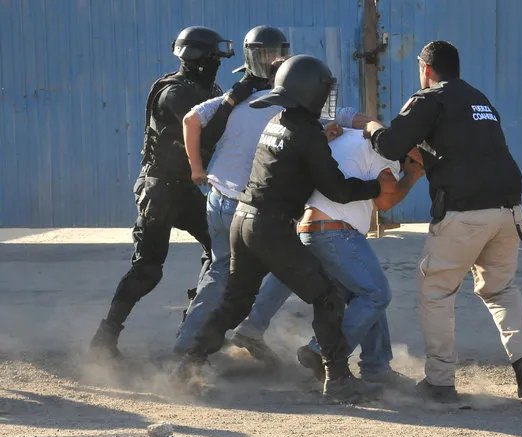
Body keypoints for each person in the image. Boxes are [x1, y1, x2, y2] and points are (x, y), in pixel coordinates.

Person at [173, 55, 396, 403]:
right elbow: (337, 189)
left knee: (235, 301)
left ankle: (188, 364)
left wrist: (321, 137)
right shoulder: (307, 133)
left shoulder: (277, 120)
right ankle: (337, 379)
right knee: (327, 298)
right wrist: (373, 188)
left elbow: (293, 156)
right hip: (270, 228)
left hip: (242, 221)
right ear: (313, 94)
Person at [363, 40, 522, 403]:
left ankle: (440, 381)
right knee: (501, 289)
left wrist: (368, 126)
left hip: (465, 213)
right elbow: (466, 148)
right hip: (509, 210)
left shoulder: (428, 99)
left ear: (426, 69)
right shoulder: (480, 100)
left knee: (436, 290)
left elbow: (390, 146)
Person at [89, 26, 263, 360]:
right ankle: (105, 337)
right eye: (213, 58)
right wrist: (232, 99)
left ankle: (195, 324)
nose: (217, 65)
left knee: (221, 253)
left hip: (187, 188)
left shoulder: (206, 88)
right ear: (198, 59)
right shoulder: (175, 93)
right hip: (160, 190)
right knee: (147, 270)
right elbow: (207, 135)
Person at [229, 122, 424, 389]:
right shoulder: (386, 151)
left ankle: (376, 366)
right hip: (336, 232)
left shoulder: (350, 137)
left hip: (308, 227)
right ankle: (321, 351)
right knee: (375, 294)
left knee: (363, 292)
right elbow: (385, 200)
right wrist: (412, 176)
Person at [174, 26, 293, 359]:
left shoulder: (236, 98)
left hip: (217, 199)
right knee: (290, 267)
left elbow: (190, 120)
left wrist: (197, 169)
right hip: (250, 206)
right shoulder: (282, 105)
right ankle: (250, 331)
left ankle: (186, 346)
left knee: (219, 271)